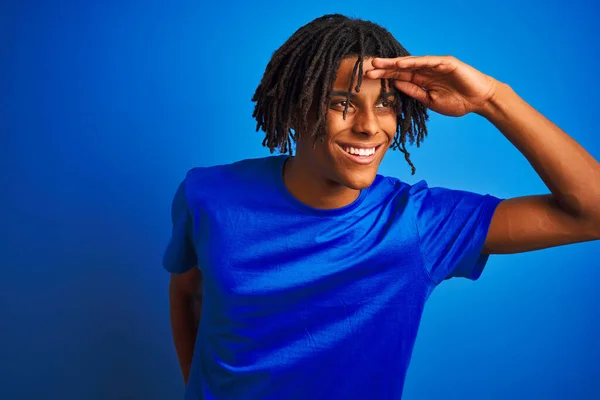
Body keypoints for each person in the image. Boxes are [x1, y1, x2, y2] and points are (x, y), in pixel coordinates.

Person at [163, 14, 600, 400]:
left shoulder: (417, 225)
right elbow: (187, 291)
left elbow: (592, 212)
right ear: (296, 108)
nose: (370, 126)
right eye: (341, 104)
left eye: (385, 105)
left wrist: (492, 100)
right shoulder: (208, 194)